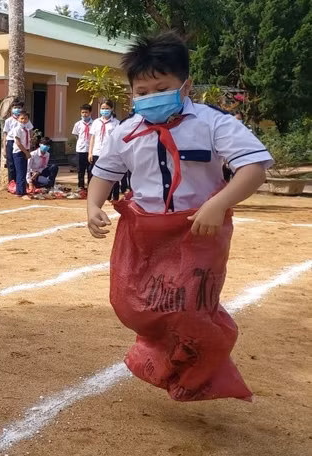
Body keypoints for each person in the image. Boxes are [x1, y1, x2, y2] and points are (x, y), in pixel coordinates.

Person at [87, 31, 271, 402]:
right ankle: (161, 355)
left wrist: (218, 205)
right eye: (142, 91)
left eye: (161, 87)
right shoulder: (126, 131)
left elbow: (253, 167)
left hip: (198, 230)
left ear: (185, 87)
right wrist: (93, 205)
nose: (150, 97)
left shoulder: (213, 123)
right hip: (144, 232)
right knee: (130, 304)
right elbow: (104, 172)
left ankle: (203, 366)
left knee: (187, 308)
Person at [88, 100, 121, 200]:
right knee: (97, 175)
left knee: (112, 174)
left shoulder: (116, 123)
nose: (104, 110)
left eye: (107, 108)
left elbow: (117, 139)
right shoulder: (96, 122)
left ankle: (114, 197)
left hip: (110, 153)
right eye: (102, 108)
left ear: (111, 109)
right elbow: (93, 138)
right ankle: (101, 196)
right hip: (97, 152)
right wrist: (90, 152)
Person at [2, 100, 25, 184]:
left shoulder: (24, 120)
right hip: (11, 142)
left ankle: (20, 183)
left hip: (21, 143)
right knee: (11, 164)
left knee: (19, 163)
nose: (17, 109)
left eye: (19, 107)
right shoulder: (8, 120)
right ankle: (11, 183)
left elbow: (29, 131)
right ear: (11, 109)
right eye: (15, 107)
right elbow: (5, 134)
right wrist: (4, 148)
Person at [71, 103, 93, 190]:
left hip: (90, 150)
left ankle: (90, 188)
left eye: (86, 112)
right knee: (81, 170)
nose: (84, 114)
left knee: (90, 170)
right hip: (80, 150)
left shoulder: (94, 123)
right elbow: (76, 136)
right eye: (83, 112)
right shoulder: (78, 124)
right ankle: (81, 187)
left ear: (90, 113)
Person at [11, 111, 32, 197]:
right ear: (18, 119)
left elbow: (28, 142)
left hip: (25, 151)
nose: (23, 120)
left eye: (25, 118)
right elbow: (18, 143)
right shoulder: (16, 129)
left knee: (23, 171)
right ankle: (20, 192)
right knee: (20, 172)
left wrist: (28, 151)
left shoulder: (26, 130)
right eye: (21, 118)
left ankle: (23, 190)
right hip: (19, 152)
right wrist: (26, 152)